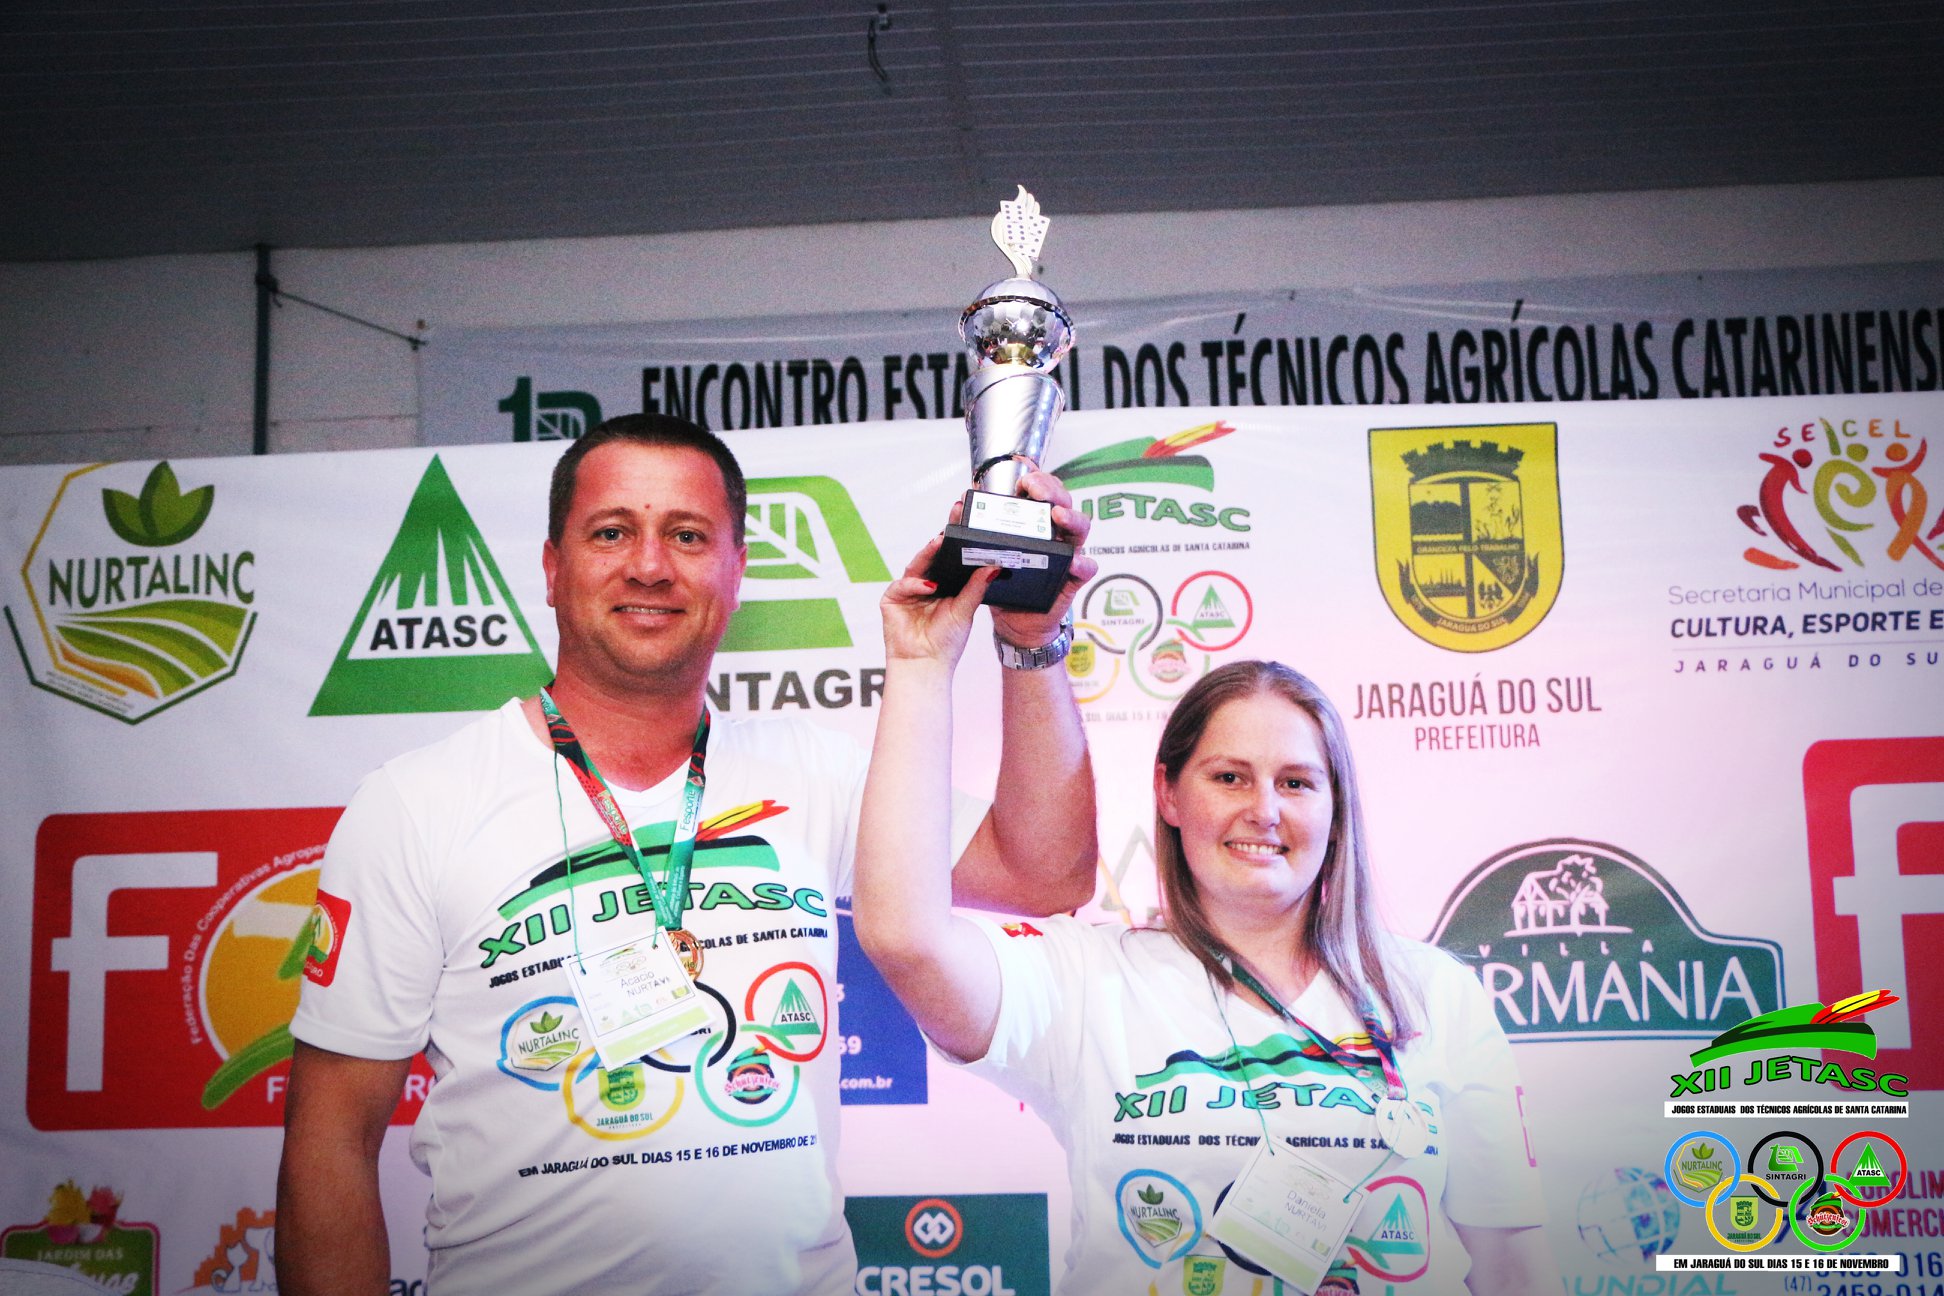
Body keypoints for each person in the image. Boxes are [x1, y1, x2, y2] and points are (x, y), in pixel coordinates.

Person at [276, 413, 1099, 1295]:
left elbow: (1042, 872)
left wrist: (1030, 644)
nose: (650, 565)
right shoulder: (416, 806)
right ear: (552, 569)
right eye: (611, 532)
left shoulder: (815, 773)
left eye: (688, 535)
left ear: (737, 573)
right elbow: (332, 1141)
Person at [853, 582, 1558, 1295]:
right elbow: (907, 938)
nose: (1265, 810)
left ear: (1336, 807)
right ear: (1169, 794)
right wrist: (919, 664)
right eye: (1229, 777)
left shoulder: (1434, 993)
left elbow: (1514, 1269)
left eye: (1297, 783)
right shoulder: (1085, 979)